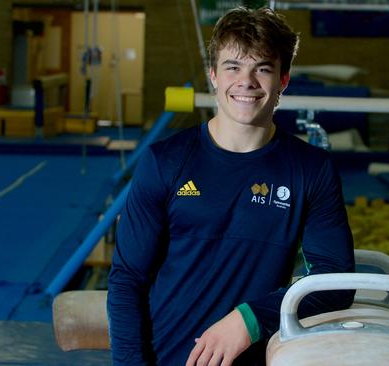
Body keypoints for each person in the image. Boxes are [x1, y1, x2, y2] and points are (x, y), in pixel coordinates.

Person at [107, 6, 355, 366]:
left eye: (263, 69)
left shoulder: (310, 170)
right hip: (164, 356)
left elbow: (335, 281)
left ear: (283, 79)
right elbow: (128, 279)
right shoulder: (166, 162)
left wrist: (250, 319)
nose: (247, 82)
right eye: (233, 67)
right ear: (214, 75)